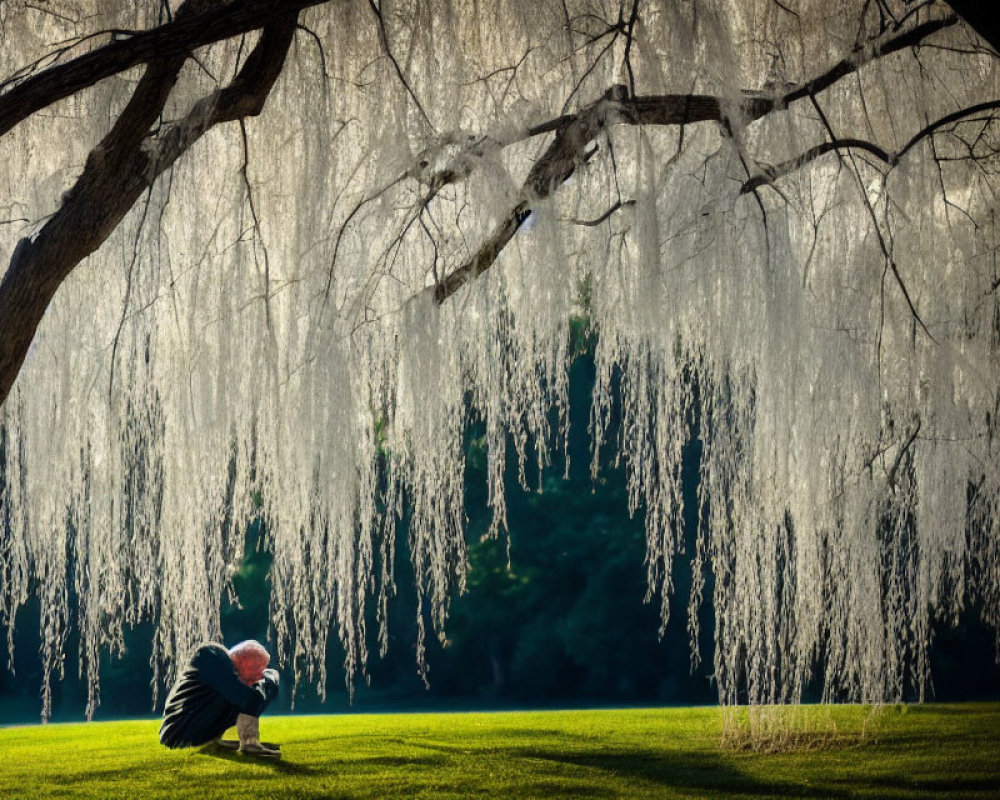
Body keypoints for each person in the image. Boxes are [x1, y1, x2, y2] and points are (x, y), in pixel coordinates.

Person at [159, 640, 280, 757]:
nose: (260, 677)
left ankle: (244, 743)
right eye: (257, 668)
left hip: (206, 732)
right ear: (243, 661)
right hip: (179, 734)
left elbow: (257, 694)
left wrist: (267, 681)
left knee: (258, 690)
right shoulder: (210, 656)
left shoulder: (235, 678)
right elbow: (249, 698)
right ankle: (249, 743)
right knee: (251, 694)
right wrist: (266, 684)